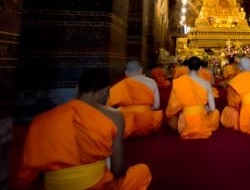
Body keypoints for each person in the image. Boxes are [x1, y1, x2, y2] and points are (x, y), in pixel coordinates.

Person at [18, 68, 152, 190]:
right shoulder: (114, 116)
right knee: (142, 172)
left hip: (53, 185)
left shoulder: (42, 120)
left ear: (77, 89)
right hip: (96, 185)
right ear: (105, 91)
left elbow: (32, 174)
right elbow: (117, 169)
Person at [165, 56, 220, 139]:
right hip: (201, 120)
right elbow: (212, 108)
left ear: (187, 67)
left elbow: (172, 106)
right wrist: (204, 108)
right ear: (200, 67)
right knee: (215, 112)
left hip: (186, 121)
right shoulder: (206, 84)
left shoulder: (179, 82)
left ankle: (187, 127)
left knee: (171, 118)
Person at [107, 59, 162, 138]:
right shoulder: (151, 82)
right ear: (141, 70)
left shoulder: (119, 85)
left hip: (124, 124)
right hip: (145, 122)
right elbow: (157, 105)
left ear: (126, 72)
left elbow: (108, 107)